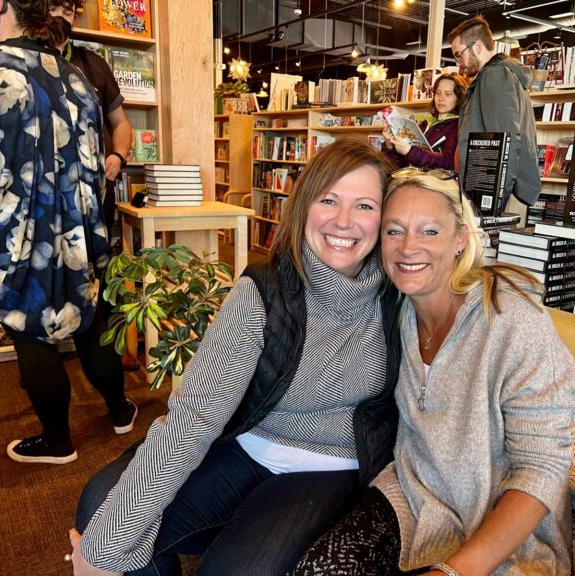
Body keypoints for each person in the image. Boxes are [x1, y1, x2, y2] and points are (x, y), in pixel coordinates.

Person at [70, 139, 401, 576]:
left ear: (386, 220)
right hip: (247, 444)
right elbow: (196, 417)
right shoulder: (264, 290)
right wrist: (104, 548)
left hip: (331, 466)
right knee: (103, 515)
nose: (343, 221)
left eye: (364, 205)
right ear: (304, 206)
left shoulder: (401, 296)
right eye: (328, 200)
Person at [291, 169, 575, 576]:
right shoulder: (392, 310)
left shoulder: (513, 319)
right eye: (394, 232)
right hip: (412, 499)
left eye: (429, 231)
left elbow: (542, 468)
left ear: (460, 239)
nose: (409, 247)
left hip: (506, 529)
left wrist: (453, 572)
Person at [0, 0, 136, 465]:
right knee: (89, 317)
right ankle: (120, 410)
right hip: (75, 224)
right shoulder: (74, 78)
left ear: (0, 6)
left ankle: (58, 439)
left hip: (12, 228)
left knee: (30, 329)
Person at [49, 0, 133, 234]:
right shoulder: (22, 63)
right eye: (51, 10)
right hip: (46, 195)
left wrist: (118, 156)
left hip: (94, 193)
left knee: (95, 263)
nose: (58, 18)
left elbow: (122, 123)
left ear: (74, 18)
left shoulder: (94, 64)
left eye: (66, 13)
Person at [448, 16, 541, 211]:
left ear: (478, 47)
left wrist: (494, 201)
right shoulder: (496, 75)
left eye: (459, 55)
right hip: (490, 188)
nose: (459, 63)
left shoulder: (494, 76)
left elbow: (505, 140)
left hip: (492, 192)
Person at [382, 72, 466, 171]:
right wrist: (390, 146)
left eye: (448, 94)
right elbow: (399, 165)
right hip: (413, 179)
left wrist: (411, 152)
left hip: (434, 184)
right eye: (438, 93)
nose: (441, 98)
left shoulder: (458, 126)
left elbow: (449, 162)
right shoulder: (424, 124)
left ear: (458, 98)